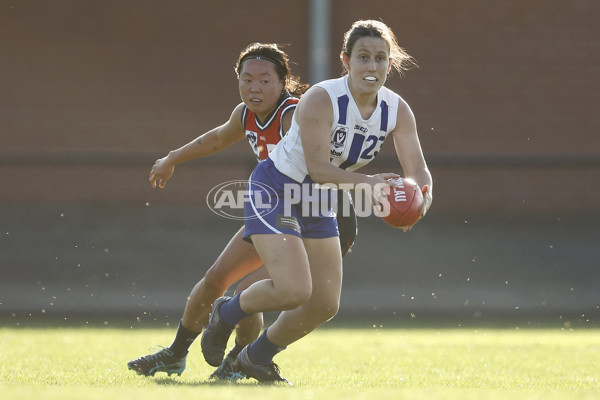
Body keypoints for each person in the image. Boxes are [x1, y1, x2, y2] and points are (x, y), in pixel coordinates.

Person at [200, 20, 433, 385]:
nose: (371, 67)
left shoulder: (397, 109)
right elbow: (319, 168)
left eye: (380, 59)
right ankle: (226, 313)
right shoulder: (322, 98)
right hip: (277, 187)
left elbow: (417, 170)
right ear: (346, 60)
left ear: (390, 63)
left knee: (325, 304)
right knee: (295, 290)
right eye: (363, 57)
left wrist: (419, 200)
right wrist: (370, 183)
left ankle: (254, 358)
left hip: (318, 196)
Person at [127, 43, 357, 380]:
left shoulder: (294, 115)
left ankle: (238, 362)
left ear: (284, 82)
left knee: (253, 293)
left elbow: (328, 169)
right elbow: (217, 139)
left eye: (265, 80)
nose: (254, 87)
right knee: (215, 281)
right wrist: (172, 158)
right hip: (275, 212)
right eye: (246, 79)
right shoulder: (245, 114)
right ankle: (176, 354)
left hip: (312, 217)